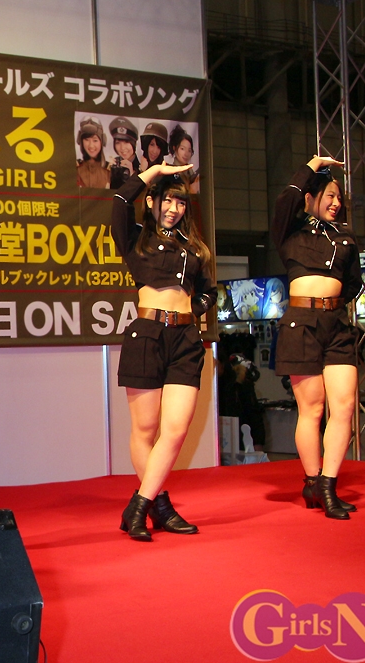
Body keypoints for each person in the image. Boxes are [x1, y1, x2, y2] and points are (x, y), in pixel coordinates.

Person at [111, 162, 215, 541]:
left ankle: (138, 506)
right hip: (147, 335)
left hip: (186, 339)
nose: (174, 209)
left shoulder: (194, 248)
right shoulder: (135, 237)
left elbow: (209, 291)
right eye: (168, 200)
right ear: (153, 201)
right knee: (145, 429)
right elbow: (120, 200)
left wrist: (193, 310)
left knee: (175, 430)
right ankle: (160, 507)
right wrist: (153, 172)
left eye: (181, 203)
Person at [272, 156, 360, 520]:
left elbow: (353, 283)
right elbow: (286, 199)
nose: (336, 203)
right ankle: (312, 481)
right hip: (301, 323)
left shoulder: (345, 238)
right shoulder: (290, 231)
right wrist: (312, 165)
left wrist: (332, 304)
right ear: (310, 198)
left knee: (344, 406)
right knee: (312, 408)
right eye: (329, 195)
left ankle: (328, 484)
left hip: (337, 324)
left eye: (339, 197)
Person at [76, 118, 111, 189]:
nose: (91, 145)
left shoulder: (110, 172)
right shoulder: (75, 169)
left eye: (95, 140)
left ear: (102, 141)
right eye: (86, 140)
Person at [108, 116, 141, 189]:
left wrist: (132, 174)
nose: (122, 148)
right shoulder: (114, 166)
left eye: (126, 142)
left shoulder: (142, 167)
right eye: (118, 143)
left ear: (134, 143)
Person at [169, 124, 200, 193]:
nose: (186, 154)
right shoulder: (170, 173)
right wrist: (191, 191)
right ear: (174, 148)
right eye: (182, 149)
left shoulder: (191, 173)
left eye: (189, 150)